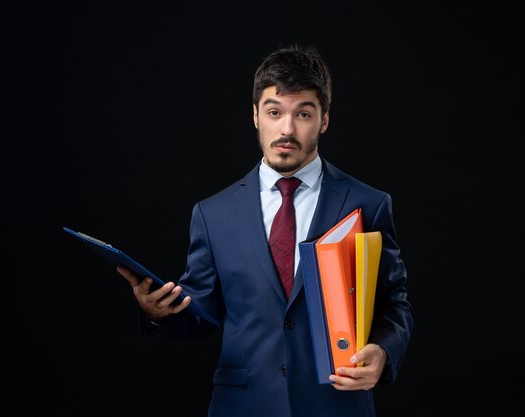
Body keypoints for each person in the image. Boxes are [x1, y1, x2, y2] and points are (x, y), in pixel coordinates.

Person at [116, 44, 413, 417]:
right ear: (256, 115)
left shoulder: (367, 204)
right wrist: (157, 312)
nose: (287, 129)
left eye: (303, 113)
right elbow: (201, 313)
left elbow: (394, 304)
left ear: (323, 120)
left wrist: (384, 351)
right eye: (275, 112)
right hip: (243, 406)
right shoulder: (213, 214)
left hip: (337, 404)